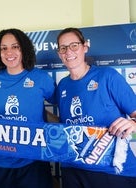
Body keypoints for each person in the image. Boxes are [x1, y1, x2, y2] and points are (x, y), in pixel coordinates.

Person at [55, 27, 136, 188]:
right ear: (59, 54)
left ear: (85, 47)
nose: (68, 52)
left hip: (111, 171)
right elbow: (65, 125)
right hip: (73, 169)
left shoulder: (108, 76)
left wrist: (133, 123)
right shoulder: (62, 86)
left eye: (74, 45)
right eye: (63, 48)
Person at [0, 28, 56, 188]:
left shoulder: (41, 78)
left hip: (34, 160)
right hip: (1, 161)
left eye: (15, 46)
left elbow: (63, 105)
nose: (9, 52)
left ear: (24, 49)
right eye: (4, 48)